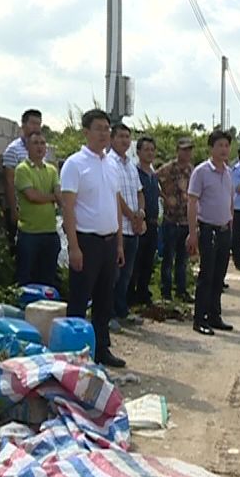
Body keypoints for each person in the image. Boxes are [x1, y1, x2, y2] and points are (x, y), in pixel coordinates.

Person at [60, 109, 126, 368]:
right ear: (86, 132)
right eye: (98, 128)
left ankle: (102, 349)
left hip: (110, 241)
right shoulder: (75, 164)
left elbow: (116, 205)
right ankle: (74, 354)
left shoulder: (111, 164)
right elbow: (68, 207)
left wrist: (119, 243)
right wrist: (74, 247)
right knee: (79, 298)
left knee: (104, 299)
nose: (104, 134)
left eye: (107, 129)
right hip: (86, 242)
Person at [187, 130, 234, 335]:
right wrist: (193, 232)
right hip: (208, 229)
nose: (224, 149)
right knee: (207, 275)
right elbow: (192, 202)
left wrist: (230, 222)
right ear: (211, 148)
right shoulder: (201, 172)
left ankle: (215, 316)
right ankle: (200, 319)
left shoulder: (228, 172)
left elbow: (230, 201)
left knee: (219, 276)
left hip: (225, 230)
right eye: (220, 145)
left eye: (226, 145)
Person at [108, 124, 146, 332]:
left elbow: (139, 192)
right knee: (113, 275)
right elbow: (116, 196)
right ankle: (109, 313)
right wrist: (131, 215)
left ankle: (122, 310)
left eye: (127, 137)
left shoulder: (130, 165)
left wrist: (140, 213)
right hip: (119, 228)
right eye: (121, 136)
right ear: (112, 139)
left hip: (134, 228)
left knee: (126, 274)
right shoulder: (109, 163)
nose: (125, 140)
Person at [13, 131, 61, 287]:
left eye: (42, 143)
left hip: (49, 232)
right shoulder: (22, 169)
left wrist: (52, 196)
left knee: (48, 278)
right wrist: (52, 197)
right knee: (26, 277)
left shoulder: (52, 170)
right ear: (27, 146)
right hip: (29, 233)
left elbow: (59, 194)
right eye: (35, 143)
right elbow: (32, 196)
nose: (40, 147)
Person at [157, 137, 195, 302]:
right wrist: (164, 197)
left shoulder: (192, 171)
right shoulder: (167, 169)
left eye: (189, 150)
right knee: (168, 259)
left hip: (186, 221)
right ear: (177, 150)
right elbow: (153, 181)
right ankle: (166, 292)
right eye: (184, 149)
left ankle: (181, 290)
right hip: (171, 220)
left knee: (182, 260)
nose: (186, 153)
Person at [3, 109, 42, 250]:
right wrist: (14, 210)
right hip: (22, 208)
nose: (36, 127)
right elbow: (9, 182)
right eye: (33, 123)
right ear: (23, 125)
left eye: (39, 124)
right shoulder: (13, 150)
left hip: (41, 209)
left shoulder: (43, 149)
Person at [129, 136, 160, 306]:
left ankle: (143, 292)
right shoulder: (135, 172)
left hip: (154, 223)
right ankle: (130, 295)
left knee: (149, 261)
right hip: (140, 223)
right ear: (138, 152)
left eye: (152, 149)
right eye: (146, 149)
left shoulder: (153, 175)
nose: (149, 153)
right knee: (136, 262)